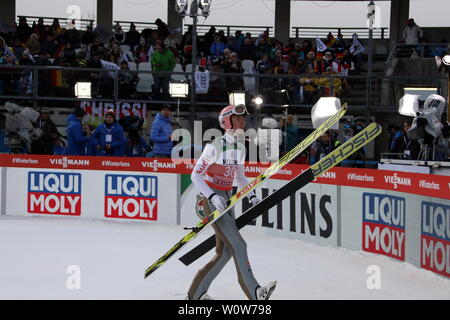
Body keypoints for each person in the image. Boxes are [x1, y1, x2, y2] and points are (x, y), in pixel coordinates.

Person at [187, 104, 276, 300]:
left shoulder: (240, 147)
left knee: (225, 252)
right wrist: (211, 196)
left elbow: (240, 177)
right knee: (239, 245)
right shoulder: (214, 147)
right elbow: (195, 175)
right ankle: (255, 293)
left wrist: (251, 195)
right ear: (226, 121)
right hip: (212, 199)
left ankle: (195, 295)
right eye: (238, 119)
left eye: (243, 120)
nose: (242, 123)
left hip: (228, 197)